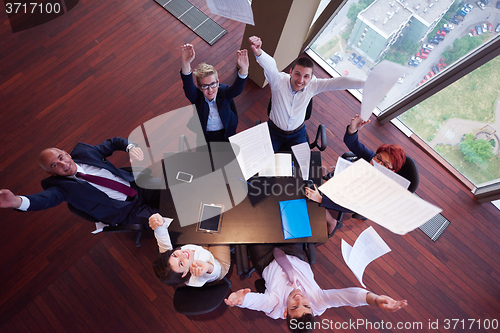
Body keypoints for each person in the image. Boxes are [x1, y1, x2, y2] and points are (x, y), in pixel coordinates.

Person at [224, 244, 407, 331]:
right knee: (285, 208)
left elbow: (258, 301)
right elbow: (347, 297)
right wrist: (374, 299)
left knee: (258, 218)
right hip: (294, 252)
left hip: (265, 258)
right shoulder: (318, 301)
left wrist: (240, 300)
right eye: (306, 304)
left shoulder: (274, 304)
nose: (299, 299)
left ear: (286, 313)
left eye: (295, 306)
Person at [0, 137, 160, 227]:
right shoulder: (60, 188)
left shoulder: (86, 152)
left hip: (137, 186)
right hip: (126, 212)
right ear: (51, 173)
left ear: (66, 153)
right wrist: (16, 202)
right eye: (55, 165)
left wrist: (130, 147)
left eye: (60, 157)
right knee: (164, 222)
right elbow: (43, 200)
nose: (63, 164)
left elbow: (113, 143)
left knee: (174, 190)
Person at [248, 36, 365, 152]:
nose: (300, 80)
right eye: (297, 74)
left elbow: (338, 82)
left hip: (297, 134)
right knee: (262, 164)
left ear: (311, 77)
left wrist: (365, 84)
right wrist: (259, 52)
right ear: (290, 72)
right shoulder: (278, 81)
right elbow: (270, 66)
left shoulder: (313, 86)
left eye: (306, 76)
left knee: (302, 167)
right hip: (273, 131)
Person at [305, 114, 407, 236]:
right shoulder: (372, 158)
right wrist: (353, 129)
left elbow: (350, 207)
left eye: (385, 165)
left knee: (308, 193)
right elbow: (353, 143)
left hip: (347, 198)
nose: (377, 164)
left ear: (392, 171)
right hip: (341, 181)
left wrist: (321, 199)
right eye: (378, 158)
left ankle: (332, 221)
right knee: (307, 181)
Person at [180, 44, 249, 142]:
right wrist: (185, 64)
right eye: (205, 86)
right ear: (199, 87)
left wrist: (244, 70)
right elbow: (188, 87)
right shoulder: (197, 97)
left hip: (227, 132)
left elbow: (237, 90)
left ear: (218, 82)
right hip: (206, 135)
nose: (210, 90)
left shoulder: (224, 91)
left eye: (213, 84)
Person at [149, 213, 230, 287]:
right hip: (218, 263)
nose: (182, 255)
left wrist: (158, 222)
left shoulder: (169, 258)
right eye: (181, 263)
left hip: (201, 248)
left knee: (205, 222)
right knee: (223, 229)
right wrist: (208, 267)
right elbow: (217, 272)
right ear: (184, 273)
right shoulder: (196, 278)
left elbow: (163, 239)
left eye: (174, 255)